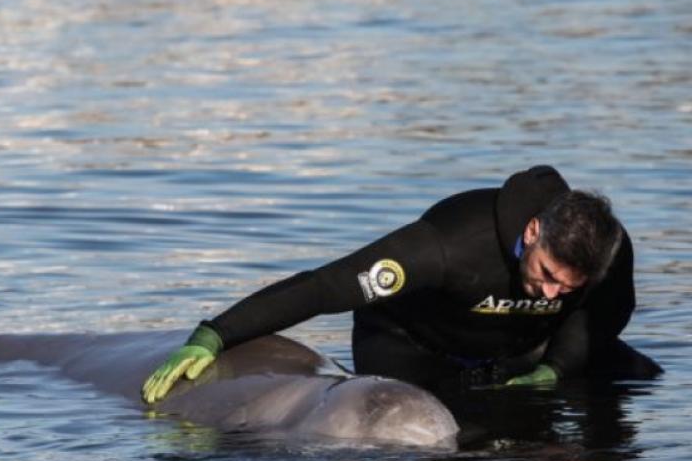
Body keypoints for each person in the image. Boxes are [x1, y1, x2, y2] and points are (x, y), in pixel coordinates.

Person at [142, 165, 662, 404]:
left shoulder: (604, 256)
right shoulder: (449, 243)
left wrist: (554, 369)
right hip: (411, 348)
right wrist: (214, 334)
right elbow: (325, 287)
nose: (551, 295)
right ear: (533, 232)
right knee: (459, 436)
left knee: (639, 379)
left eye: (567, 289)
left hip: (519, 352)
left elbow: (603, 318)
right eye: (547, 276)